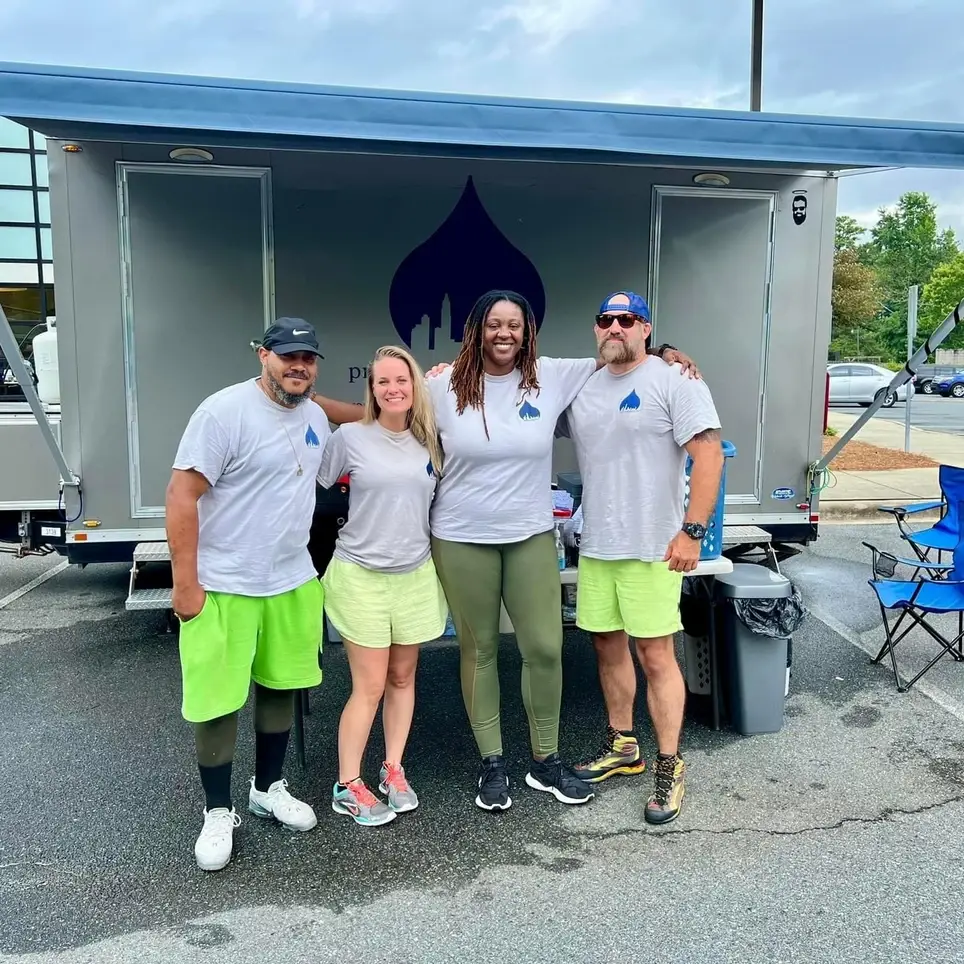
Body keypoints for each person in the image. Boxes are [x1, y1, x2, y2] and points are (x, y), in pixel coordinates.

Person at [425, 289, 700, 813]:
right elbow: (385, 404)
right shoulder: (442, 384)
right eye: (493, 324)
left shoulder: (555, 374)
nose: (503, 333)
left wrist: (667, 352)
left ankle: (545, 761)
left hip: (529, 533)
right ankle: (492, 764)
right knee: (478, 651)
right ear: (475, 329)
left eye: (514, 324)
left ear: (529, 331)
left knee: (546, 649)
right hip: (460, 535)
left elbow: (623, 356)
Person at [166, 317, 330, 872]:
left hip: (290, 579)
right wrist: (185, 583)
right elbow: (181, 495)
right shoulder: (223, 411)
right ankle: (218, 810)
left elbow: (354, 415)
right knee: (217, 700)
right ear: (263, 355)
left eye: (308, 358)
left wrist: (397, 407)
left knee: (281, 687)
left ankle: (268, 787)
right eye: (287, 356)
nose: (298, 366)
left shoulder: (313, 415)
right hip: (225, 584)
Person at [560, 291, 724, 826]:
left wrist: (692, 532)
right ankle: (623, 745)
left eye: (626, 320)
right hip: (598, 545)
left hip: (654, 547)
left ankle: (670, 765)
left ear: (646, 328)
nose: (615, 328)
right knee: (607, 648)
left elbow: (709, 454)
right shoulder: (583, 381)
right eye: (605, 319)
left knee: (656, 656)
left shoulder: (675, 380)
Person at [317, 345, 449, 827]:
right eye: (382, 382)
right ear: (371, 390)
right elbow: (312, 491)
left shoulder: (433, 442)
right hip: (360, 576)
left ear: (416, 387)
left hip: (414, 575)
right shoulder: (350, 438)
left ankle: (393, 769)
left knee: (402, 678)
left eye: (402, 380)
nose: (393, 389)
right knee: (369, 685)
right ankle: (347, 784)